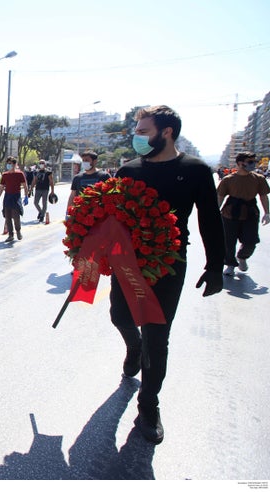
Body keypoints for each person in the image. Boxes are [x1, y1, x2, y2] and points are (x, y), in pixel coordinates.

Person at [111, 105, 224, 444]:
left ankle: (148, 406)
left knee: (158, 338)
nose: (137, 137)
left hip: (168, 265)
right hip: (127, 262)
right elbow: (110, 216)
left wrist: (215, 265)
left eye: (143, 131)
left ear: (167, 132)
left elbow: (209, 220)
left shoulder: (195, 170)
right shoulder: (127, 170)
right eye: (137, 130)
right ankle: (133, 347)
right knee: (120, 316)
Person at [217, 151, 270, 276]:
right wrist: (215, 212)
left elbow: (263, 196)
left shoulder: (259, 179)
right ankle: (230, 264)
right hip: (230, 213)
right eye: (250, 162)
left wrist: (267, 212)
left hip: (250, 212)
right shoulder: (228, 180)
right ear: (240, 163)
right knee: (229, 241)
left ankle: (242, 257)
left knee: (251, 241)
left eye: (253, 162)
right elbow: (220, 197)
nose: (253, 164)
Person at [0, 156, 29, 241]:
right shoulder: (5, 175)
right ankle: (10, 235)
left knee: (16, 216)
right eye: (8, 163)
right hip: (7, 196)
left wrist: (26, 196)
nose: (8, 165)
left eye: (10, 163)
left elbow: (25, 186)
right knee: (7, 217)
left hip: (16, 196)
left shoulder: (19, 174)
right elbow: (1, 187)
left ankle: (18, 231)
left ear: (14, 164)